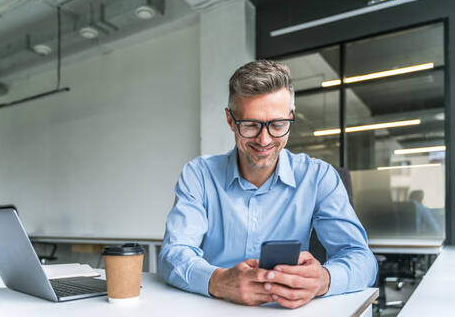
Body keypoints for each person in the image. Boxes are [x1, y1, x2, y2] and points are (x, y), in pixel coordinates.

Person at [159, 60, 377, 308]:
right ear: (231, 120)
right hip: (212, 307)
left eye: (277, 125)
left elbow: (362, 259)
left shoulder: (319, 177)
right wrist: (218, 281)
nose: (264, 140)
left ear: (290, 118)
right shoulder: (198, 175)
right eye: (251, 125)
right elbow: (172, 255)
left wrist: (323, 280)